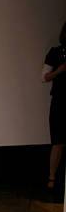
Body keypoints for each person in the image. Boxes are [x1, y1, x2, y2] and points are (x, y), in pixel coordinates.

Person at [42, 21, 66, 189]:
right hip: (59, 101)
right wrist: (59, 71)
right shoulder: (55, 52)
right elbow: (43, 77)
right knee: (58, 141)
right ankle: (51, 177)